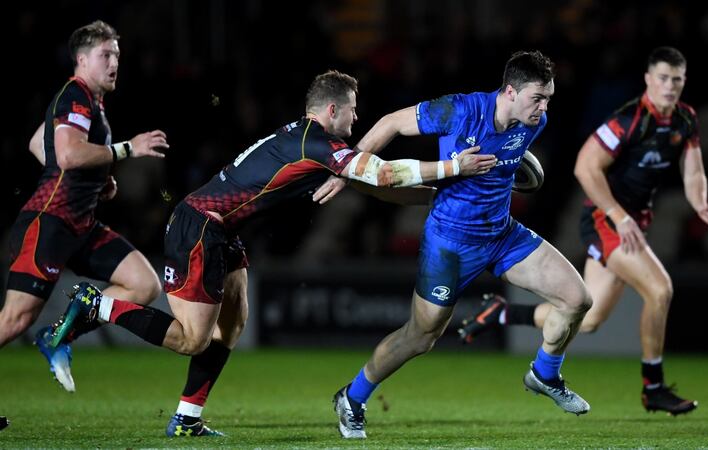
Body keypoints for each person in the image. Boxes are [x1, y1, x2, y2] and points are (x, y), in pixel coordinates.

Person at [45, 70, 496, 437]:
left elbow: (377, 188)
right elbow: (380, 175)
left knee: (234, 320)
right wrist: (456, 167)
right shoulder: (315, 141)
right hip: (200, 227)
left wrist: (439, 195)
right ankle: (95, 303)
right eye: (354, 112)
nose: (356, 122)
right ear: (333, 109)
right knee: (192, 339)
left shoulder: (310, 143)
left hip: (223, 231)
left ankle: (186, 417)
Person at [316, 50, 593, 440]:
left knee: (577, 298)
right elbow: (392, 122)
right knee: (420, 337)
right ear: (510, 91)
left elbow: (506, 162)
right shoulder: (459, 110)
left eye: (548, 97)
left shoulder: (536, 122)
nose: (544, 107)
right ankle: (353, 397)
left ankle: (545, 374)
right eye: (538, 97)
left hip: (501, 234)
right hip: (450, 242)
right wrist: (348, 169)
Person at [458, 47, 708, 416]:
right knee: (660, 290)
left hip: (630, 221)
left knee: (589, 318)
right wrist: (619, 215)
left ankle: (503, 314)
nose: (669, 86)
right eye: (662, 78)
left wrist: (701, 202)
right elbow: (585, 167)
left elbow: (694, 171)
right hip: (607, 219)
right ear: (648, 79)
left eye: (676, 80)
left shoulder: (685, 120)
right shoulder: (629, 120)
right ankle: (654, 388)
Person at [0, 20, 168, 392]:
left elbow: (38, 144)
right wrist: (127, 149)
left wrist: (92, 180)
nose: (114, 63)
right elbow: (67, 153)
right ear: (81, 59)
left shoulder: (91, 104)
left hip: (81, 225)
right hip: (51, 222)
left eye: (117, 56)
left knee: (143, 284)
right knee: (13, 320)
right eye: (105, 55)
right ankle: (51, 335)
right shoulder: (75, 94)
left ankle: (58, 335)